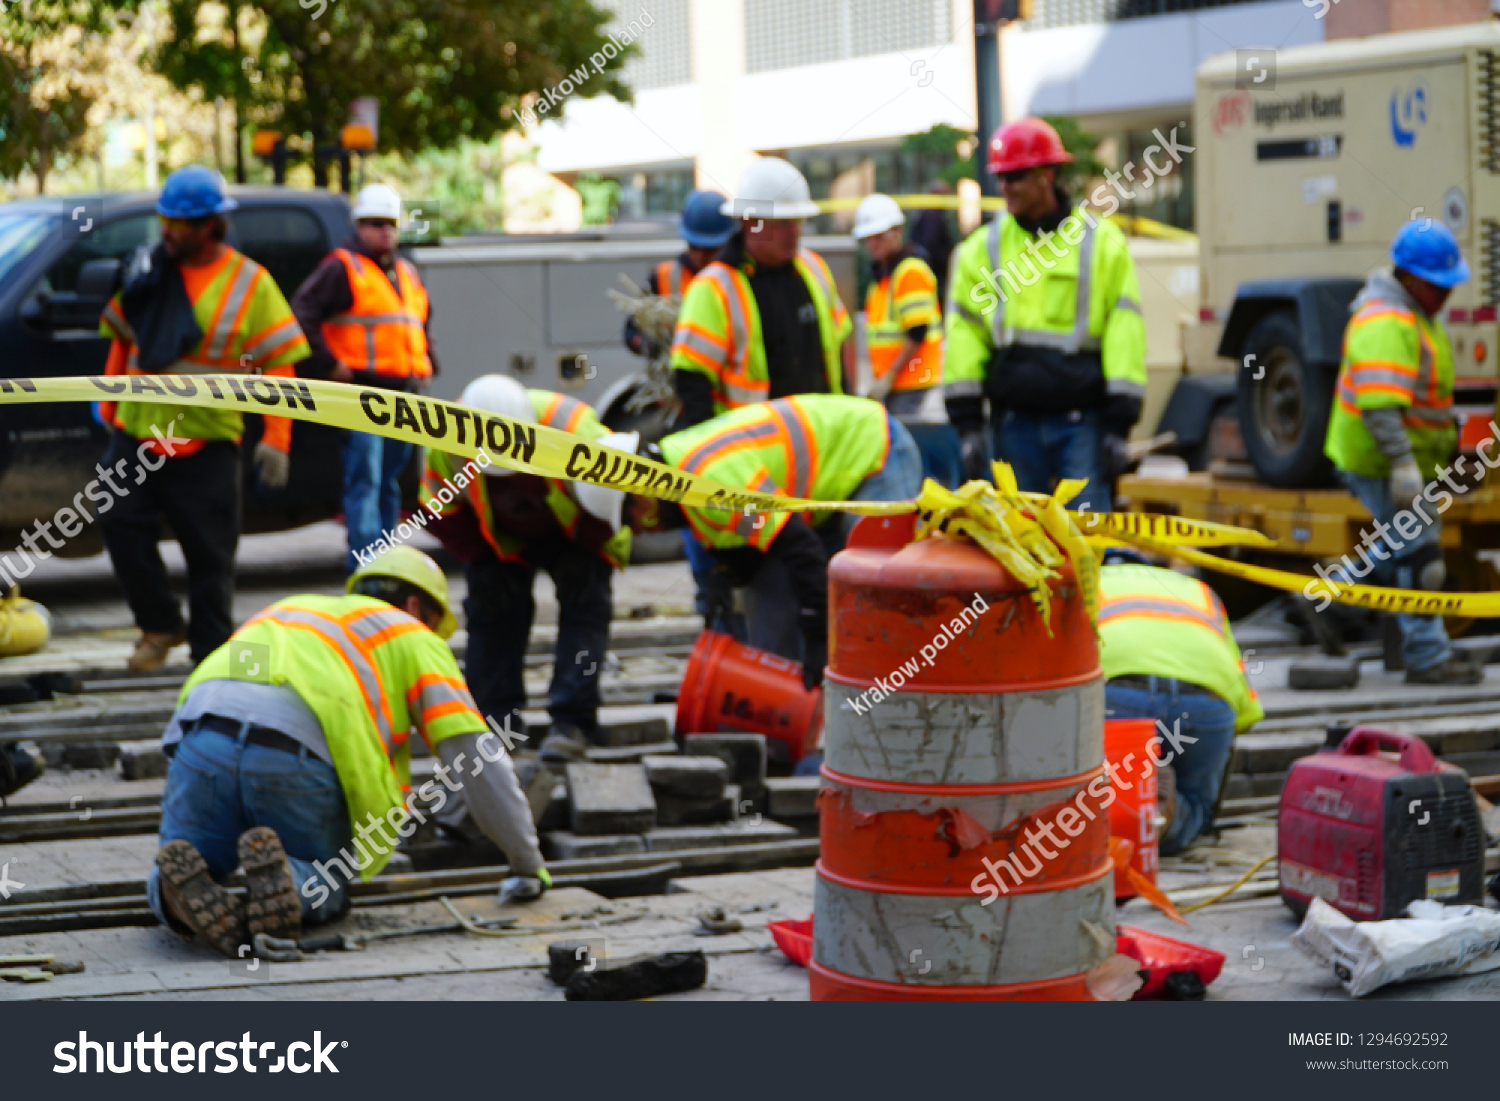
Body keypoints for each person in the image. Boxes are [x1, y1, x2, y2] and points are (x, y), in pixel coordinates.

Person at [147, 546, 548, 959]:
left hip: (202, 734)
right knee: (326, 881)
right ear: (415, 605)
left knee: (189, 857)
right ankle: (291, 883)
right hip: (293, 753)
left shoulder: (292, 609)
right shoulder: (409, 632)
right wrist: (525, 862)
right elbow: (474, 757)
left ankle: (171, 895)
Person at [97, 165, 308, 673]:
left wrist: (277, 439)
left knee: (211, 558)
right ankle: (160, 624)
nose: (167, 231)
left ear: (211, 224)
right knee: (118, 522)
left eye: (180, 224)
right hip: (139, 433)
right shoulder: (149, 269)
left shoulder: (250, 283)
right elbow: (124, 341)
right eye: (164, 220)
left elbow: (278, 364)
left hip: (207, 442)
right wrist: (108, 406)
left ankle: (212, 660)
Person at [620, 395, 922, 684]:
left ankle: (903, 699)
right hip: (828, 473)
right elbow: (767, 552)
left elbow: (801, 548)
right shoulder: (682, 473)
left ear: (641, 496)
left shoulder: (713, 484)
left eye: (627, 519)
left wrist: (816, 638)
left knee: (881, 587)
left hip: (875, 447)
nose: (636, 532)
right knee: (782, 593)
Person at [422, 376, 632, 764]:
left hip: (577, 530)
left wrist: (587, 546)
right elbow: (445, 514)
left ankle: (573, 722)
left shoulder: (575, 430)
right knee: (492, 614)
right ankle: (496, 725)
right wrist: (488, 559)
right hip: (499, 541)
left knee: (585, 611)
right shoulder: (447, 442)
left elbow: (615, 503)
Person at [944, 117, 1147, 511]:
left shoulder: (1101, 244)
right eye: (1000, 178)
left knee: (1085, 543)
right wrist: (968, 427)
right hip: (1013, 424)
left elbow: (1125, 329)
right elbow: (964, 338)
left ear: (1046, 174)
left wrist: (1119, 425)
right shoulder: (979, 251)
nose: (1005, 187)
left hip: (1081, 423)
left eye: (1015, 176)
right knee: (1022, 547)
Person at [1323, 220, 1482, 684]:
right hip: (1379, 460)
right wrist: (1403, 468)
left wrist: (1447, 451)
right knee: (1421, 560)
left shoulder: (1411, 314)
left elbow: (1422, 396)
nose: (1448, 295)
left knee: (1399, 551)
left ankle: (1328, 595)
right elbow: (1379, 405)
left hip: (1396, 460)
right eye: (1441, 285)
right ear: (1412, 278)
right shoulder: (1387, 321)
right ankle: (1427, 658)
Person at [291, 183, 438, 574]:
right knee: (366, 481)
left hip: (403, 392)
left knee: (389, 481)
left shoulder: (405, 271)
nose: (384, 231)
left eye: (390, 223)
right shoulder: (342, 267)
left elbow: (418, 323)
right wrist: (328, 364)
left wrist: (428, 363)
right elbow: (302, 314)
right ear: (359, 226)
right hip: (363, 396)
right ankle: (365, 565)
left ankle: (384, 561)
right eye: (375, 224)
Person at [1098, 551, 1263, 854]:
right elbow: (1245, 707)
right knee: (1199, 807)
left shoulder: (1085, 581)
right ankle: (1166, 813)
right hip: (1206, 700)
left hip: (1118, 695)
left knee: (1105, 803)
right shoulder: (1199, 590)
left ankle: (1134, 809)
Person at [669, 157, 853, 430]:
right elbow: (693, 380)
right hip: (751, 449)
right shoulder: (714, 287)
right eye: (781, 223)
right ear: (749, 222)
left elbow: (837, 351)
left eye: (797, 221)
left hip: (820, 438)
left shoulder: (813, 268)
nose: (794, 232)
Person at [852, 192, 961, 488]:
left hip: (913, 384)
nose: (872, 244)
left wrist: (888, 376)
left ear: (896, 233)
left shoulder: (908, 271)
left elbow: (918, 331)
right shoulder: (885, 276)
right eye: (868, 238)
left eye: (878, 236)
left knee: (909, 457)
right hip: (902, 384)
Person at [623, 189, 736, 358]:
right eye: (694, 246)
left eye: (709, 249)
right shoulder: (664, 276)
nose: (699, 256)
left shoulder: (739, 279)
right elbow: (632, 329)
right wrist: (644, 343)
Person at [907, 180, 956, 305]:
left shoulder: (927, 214)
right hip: (933, 273)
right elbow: (932, 244)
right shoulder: (931, 215)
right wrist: (950, 261)